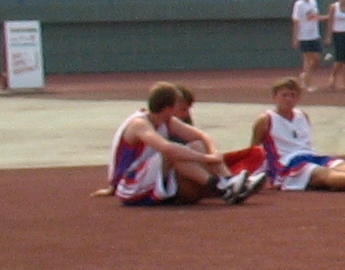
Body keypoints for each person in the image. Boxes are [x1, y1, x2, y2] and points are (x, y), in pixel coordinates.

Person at [110, 83, 263, 205]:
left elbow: (201, 136)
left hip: (149, 176)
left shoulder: (167, 121)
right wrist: (207, 159)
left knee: (196, 144)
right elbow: (167, 148)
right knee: (172, 152)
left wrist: (213, 152)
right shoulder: (139, 124)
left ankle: (230, 181)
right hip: (129, 184)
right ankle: (220, 186)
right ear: (168, 107)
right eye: (178, 104)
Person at [250, 79, 345, 192]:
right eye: (284, 95)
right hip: (286, 164)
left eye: (293, 95)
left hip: (310, 155)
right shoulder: (266, 119)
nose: (288, 99)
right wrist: (257, 176)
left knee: (338, 164)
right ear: (274, 97)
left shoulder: (302, 116)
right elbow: (254, 150)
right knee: (322, 173)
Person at [289, 0, 324, 89]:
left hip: (314, 34)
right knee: (307, 59)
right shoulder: (299, 4)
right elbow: (296, 21)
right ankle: (307, 83)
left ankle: (304, 76)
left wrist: (326, 17)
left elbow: (315, 16)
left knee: (317, 59)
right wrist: (295, 38)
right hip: (304, 35)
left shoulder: (314, 2)